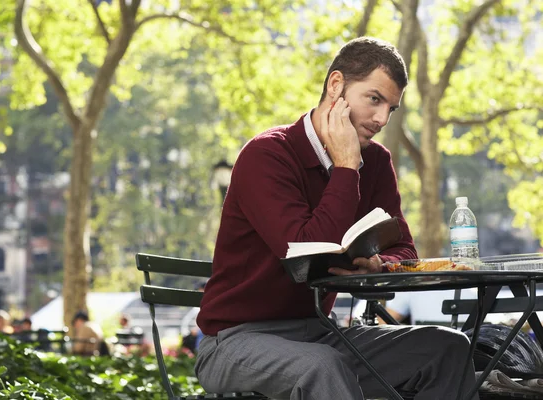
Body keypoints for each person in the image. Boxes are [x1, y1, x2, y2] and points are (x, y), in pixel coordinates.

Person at [195, 37, 479, 399]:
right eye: (374, 99)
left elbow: (404, 247)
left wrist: (378, 263)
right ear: (336, 86)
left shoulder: (375, 162)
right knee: (322, 366)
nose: (381, 119)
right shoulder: (266, 155)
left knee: (447, 349)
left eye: (390, 108)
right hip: (234, 341)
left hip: (318, 332)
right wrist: (346, 167)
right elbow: (302, 252)